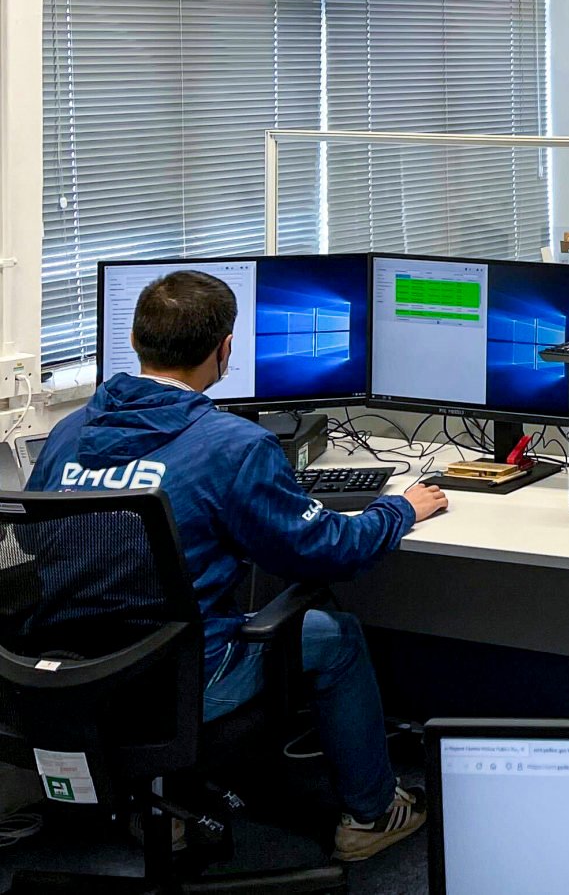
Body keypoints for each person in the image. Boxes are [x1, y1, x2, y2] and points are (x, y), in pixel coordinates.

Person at [28, 270, 447, 862]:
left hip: (70, 683)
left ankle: (158, 812)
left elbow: (36, 537)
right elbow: (330, 550)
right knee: (336, 634)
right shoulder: (232, 447)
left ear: (137, 341)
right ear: (225, 350)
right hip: (178, 687)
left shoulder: (70, 432)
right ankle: (372, 817)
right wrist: (397, 509)